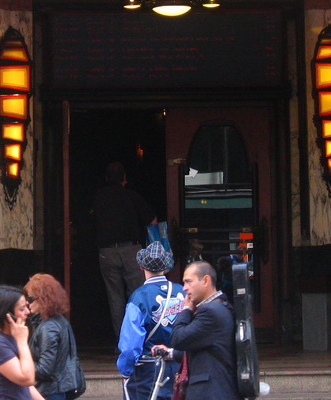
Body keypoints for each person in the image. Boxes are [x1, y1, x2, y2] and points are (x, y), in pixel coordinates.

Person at [151, 260, 242, 400]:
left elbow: (178, 339)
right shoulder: (220, 307)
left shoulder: (210, 311)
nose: (184, 288)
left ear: (206, 280)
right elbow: (204, 352)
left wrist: (186, 309)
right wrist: (170, 353)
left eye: (188, 282)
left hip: (211, 393)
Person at [93, 161, 157, 337]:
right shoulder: (131, 195)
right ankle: (141, 338)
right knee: (137, 294)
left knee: (115, 297)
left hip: (106, 252)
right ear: (124, 179)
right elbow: (152, 220)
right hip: (131, 250)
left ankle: (122, 342)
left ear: (106, 178)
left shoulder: (98, 197)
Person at [117, 242, 186, 400]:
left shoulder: (139, 297)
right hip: (180, 366)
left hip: (148, 372)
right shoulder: (183, 291)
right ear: (166, 267)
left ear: (141, 267)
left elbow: (130, 346)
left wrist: (125, 370)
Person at [0, 284, 46, 400]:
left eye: (26, 306)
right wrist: (22, 341)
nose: (28, 312)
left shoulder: (14, 338)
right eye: (22, 309)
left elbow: (28, 388)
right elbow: (27, 378)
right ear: (8, 315)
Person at [25, 273, 79, 400]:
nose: (27, 303)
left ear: (43, 299)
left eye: (31, 298)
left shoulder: (49, 327)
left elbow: (45, 369)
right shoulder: (60, 321)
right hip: (56, 389)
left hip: (48, 392)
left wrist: (21, 364)